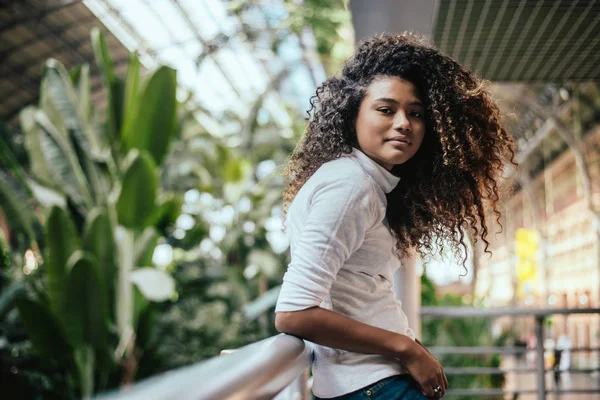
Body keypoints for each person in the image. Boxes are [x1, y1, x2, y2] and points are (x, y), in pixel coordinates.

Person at [274, 32, 516, 400]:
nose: (404, 123)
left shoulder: (368, 184)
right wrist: (407, 350)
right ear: (352, 114)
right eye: (386, 109)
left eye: (415, 113)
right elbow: (293, 313)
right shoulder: (350, 187)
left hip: (374, 382)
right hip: (371, 385)